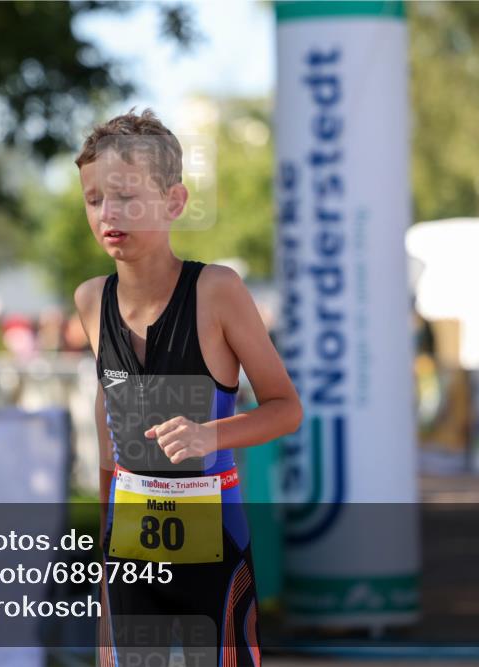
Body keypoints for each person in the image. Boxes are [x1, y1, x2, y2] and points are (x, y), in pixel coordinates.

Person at [72, 108, 303, 666]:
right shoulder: (90, 301)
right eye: (95, 198)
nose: (108, 213)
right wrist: (103, 581)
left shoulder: (217, 291)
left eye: (126, 196)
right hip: (128, 554)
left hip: (213, 547)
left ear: (174, 202)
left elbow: (286, 409)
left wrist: (209, 435)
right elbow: (112, 440)